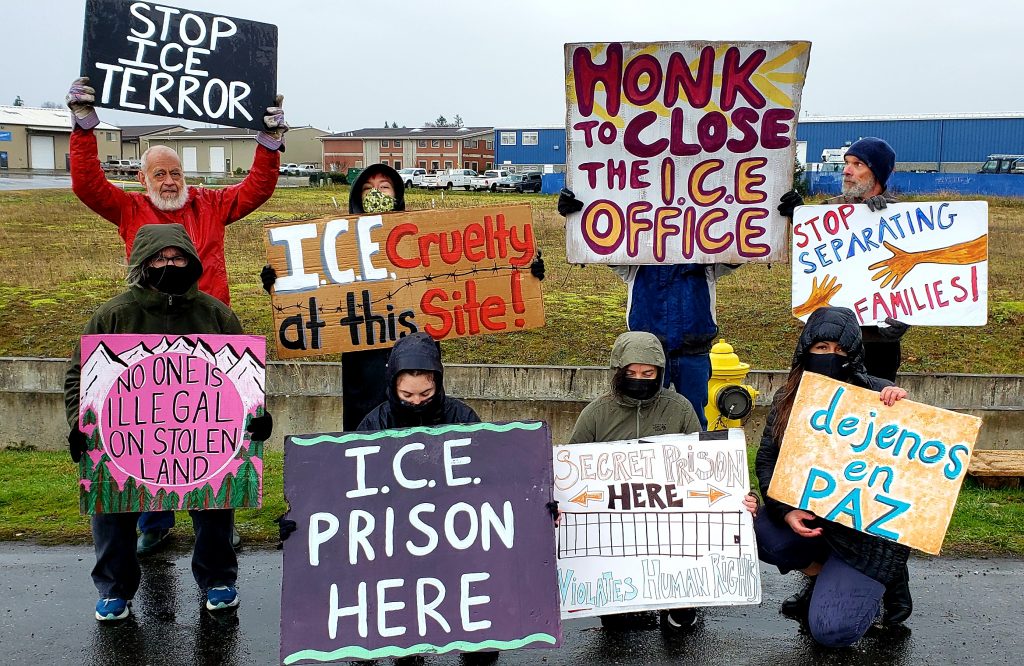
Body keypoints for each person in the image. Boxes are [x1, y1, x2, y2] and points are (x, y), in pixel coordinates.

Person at [66, 77, 287, 552]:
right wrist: (84, 126)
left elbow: (256, 189)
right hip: (147, 334)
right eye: (159, 174)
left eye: (175, 173)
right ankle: (154, 519)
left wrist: (268, 143)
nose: (169, 181)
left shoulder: (211, 203)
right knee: (153, 426)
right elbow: (86, 185)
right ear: (144, 179)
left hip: (210, 333)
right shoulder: (129, 208)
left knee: (211, 427)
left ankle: (219, 516)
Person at [64, 223, 273, 621]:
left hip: (203, 441)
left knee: (215, 503)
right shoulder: (112, 316)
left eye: (177, 258)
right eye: (159, 259)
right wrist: (79, 425)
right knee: (112, 507)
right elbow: (79, 373)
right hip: (125, 440)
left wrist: (258, 418)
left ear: (191, 262)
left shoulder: (216, 314)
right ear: (143, 264)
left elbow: (244, 374)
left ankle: (218, 580)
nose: (168, 265)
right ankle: (114, 589)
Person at [262, 163, 544, 432]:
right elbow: (310, 299)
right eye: (368, 188)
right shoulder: (331, 252)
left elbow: (474, 276)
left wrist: (524, 272)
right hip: (363, 370)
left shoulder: (421, 243)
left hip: (416, 362)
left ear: (398, 195)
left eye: (384, 186)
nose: (376, 193)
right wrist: (280, 283)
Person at [560, 189, 797, 429]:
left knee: (694, 420)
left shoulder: (708, 258)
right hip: (646, 355)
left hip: (694, 352)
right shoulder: (635, 257)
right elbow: (604, 248)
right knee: (641, 418)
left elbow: (739, 248)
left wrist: (779, 216)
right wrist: (578, 216)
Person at [749, 306, 911, 648]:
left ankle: (876, 588)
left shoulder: (879, 396)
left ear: (854, 354)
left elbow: (912, 463)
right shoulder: (786, 398)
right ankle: (822, 576)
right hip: (816, 520)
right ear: (805, 350)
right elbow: (767, 460)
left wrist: (904, 410)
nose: (831, 356)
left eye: (841, 350)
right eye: (821, 348)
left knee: (831, 631)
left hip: (864, 537)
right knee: (758, 529)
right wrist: (785, 510)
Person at [567, 330, 703, 632]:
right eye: (631, 372)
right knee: (616, 623)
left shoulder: (680, 408)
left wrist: (737, 496)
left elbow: (705, 462)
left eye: (648, 372)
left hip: (669, 516)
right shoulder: (596, 414)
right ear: (617, 371)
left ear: (659, 372)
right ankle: (618, 600)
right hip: (612, 521)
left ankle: (680, 599)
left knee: (682, 619)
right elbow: (570, 470)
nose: (639, 377)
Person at [357, 331, 480, 430]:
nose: (417, 401)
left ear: (437, 384)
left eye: (426, 393)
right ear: (394, 388)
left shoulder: (463, 418)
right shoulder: (375, 424)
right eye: (407, 395)